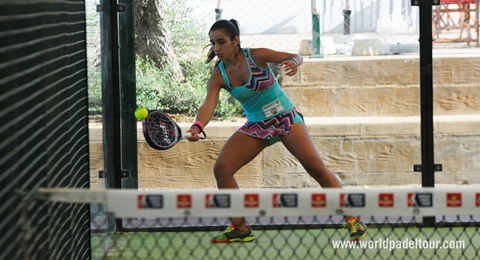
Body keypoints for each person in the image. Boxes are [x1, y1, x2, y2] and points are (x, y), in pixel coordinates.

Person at [186, 19, 367, 243]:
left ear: (236, 40)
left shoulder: (257, 55)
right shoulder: (218, 77)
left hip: (286, 117)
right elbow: (207, 106)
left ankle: (353, 219)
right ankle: (240, 228)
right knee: (222, 169)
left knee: (315, 167)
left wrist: (295, 62)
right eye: (213, 43)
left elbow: (294, 56)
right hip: (257, 125)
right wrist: (197, 126)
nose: (217, 48)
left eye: (221, 42)